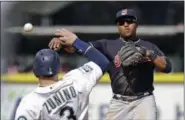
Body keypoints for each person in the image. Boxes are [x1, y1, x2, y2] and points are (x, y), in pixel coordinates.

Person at [49, 9, 172, 120]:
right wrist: (63, 42)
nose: (125, 24)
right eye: (121, 22)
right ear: (117, 25)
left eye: (129, 21)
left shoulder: (149, 46)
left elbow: (167, 67)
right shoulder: (106, 45)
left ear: (136, 24)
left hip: (144, 100)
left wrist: (148, 54)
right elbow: (77, 49)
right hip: (119, 102)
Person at [15, 30, 110, 120]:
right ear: (58, 69)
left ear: (35, 72)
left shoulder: (30, 102)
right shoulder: (77, 80)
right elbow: (102, 62)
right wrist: (76, 42)